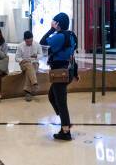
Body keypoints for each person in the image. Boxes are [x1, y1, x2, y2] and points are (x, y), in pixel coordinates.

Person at [40, 12, 76, 141]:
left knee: (61, 102)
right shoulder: (71, 35)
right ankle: (64, 121)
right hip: (67, 71)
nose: (53, 23)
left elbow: (43, 42)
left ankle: (65, 131)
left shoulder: (60, 36)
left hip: (60, 73)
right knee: (52, 96)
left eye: (54, 22)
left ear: (58, 24)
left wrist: (51, 29)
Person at [15, 30, 42, 101]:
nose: (29, 43)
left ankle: (28, 92)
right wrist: (22, 60)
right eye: (28, 42)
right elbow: (16, 58)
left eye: (31, 41)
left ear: (32, 38)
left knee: (30, 69)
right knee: (28, 65)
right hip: (24, 64)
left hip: (34, 64)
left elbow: (41, 55)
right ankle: (34, 83)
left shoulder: (37, 44)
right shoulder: (20, 46)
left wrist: (36, 56)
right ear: (24, 40)